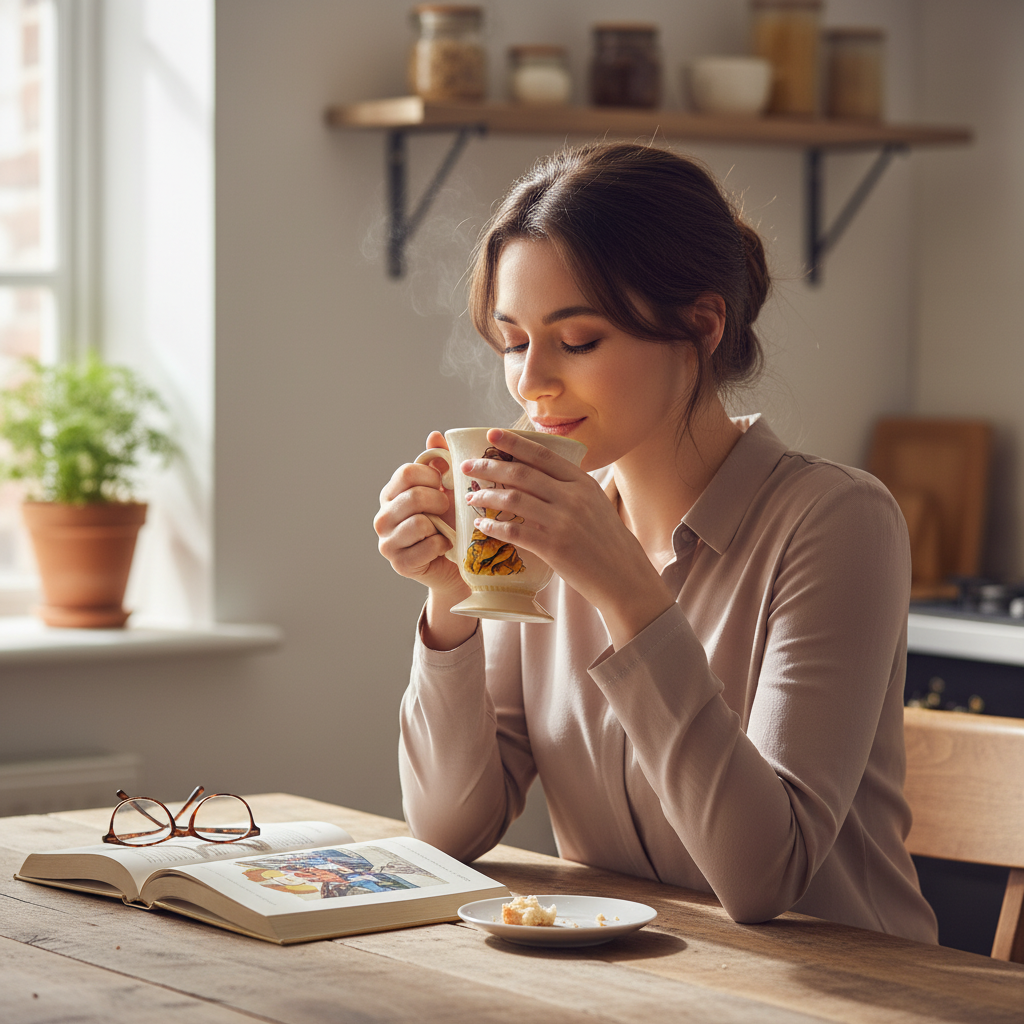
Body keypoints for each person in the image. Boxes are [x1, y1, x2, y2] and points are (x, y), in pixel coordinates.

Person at [373, 142, 938, 943]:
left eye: (578, 341)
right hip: (644, 985)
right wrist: (449, 601)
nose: (532, 383)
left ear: (701, 326)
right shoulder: (541, 531)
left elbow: (762, 877)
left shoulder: (837, 521)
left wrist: (626, 589)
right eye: (512, 341)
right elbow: (448, 831)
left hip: (852, 996)